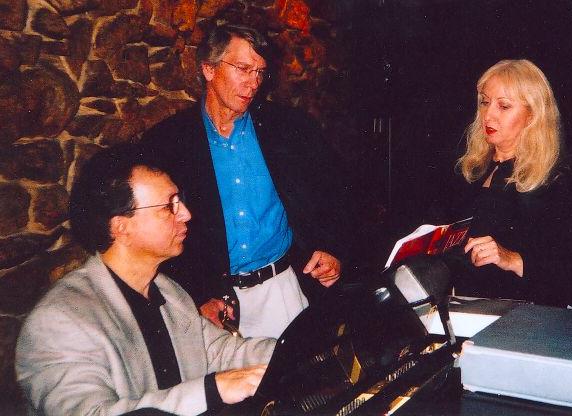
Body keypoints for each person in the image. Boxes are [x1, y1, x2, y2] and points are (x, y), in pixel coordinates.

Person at [15, 145, 276, 416]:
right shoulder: (59, 321)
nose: (185, 214)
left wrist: (298, 350)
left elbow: (220, 352)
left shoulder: (169, 293)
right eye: (169, 206)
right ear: (121, 227)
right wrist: (213, 390)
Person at [139, 21, 352, 338]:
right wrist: (194, 295)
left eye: (260, 72)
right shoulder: (167, 143)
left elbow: (337, 192)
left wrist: (331, 248)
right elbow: (154, 229)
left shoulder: (289, 128)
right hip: (218, 306)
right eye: (243, 68)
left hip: (287, 287)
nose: (254, 83)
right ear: (209, 69)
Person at [437, 59, 572, 306]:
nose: (488, 114)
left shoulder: (559, 179)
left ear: (532, 115)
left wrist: (512, 259)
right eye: (485, 102)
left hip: (526, 318)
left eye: (503, 106)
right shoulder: (469, 169)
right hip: (464, 310)